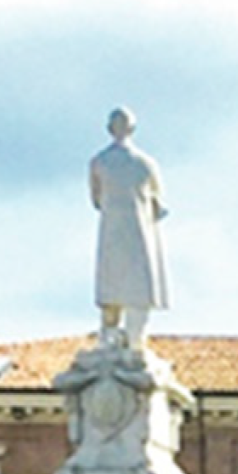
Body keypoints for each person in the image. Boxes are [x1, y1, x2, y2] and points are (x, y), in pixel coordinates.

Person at [89, 107, 168, 345]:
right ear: (132, 129)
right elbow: (158, 203)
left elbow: (96, 200)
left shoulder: (98, 162)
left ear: (109, 129)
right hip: (139, 235)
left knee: (110, 292)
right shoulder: (146, 164)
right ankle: (136, 342)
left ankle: (109, 341)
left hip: (111, 235)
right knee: (138, 292)